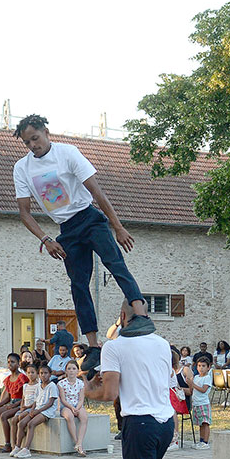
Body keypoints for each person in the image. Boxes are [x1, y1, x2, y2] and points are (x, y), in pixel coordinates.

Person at [12, 114, 153, 348]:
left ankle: (141, 316)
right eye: (27, 143)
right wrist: (45, 239)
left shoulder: (68, 153)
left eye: (35, 139)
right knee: (78, 285)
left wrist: (117, 226)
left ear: (46, 133)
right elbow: (25, 213)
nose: (32, 146)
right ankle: (93, 343)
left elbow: (97, 192)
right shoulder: (22, 168)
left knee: (115, 263)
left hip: (89, 218)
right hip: (67, 229)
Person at [86, 299, 196, 459]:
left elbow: (110, 393)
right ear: (146, 315)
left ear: (122, 316)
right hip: (165, 423)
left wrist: (88, 390)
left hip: (140, 424)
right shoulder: (160, 343)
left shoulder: (114, 346)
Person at [0, 353, 27, 451]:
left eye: (13, 362)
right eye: (8, 362)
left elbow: (25, 396)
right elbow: (7, 398)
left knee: (4, 416)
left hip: (20, 404)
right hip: (11, 403)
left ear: (18, 363)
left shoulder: (22, 378)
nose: (10, 364)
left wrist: (14, 405)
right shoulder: (8, 379)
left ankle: (8, 444)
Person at [14, 364, 59, 459]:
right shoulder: (39, 386)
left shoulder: (52, 386)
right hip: (37, 409)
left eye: (46, 373)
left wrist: (38, 411)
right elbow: (35, 400)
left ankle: (26, 449)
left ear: (50, 374)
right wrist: (33, 410)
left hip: (46, 411)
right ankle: (17, 446)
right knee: (21, 423)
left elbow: (50, 403)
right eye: (41, 373)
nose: (43, 375)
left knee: (31, 424)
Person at [8, 364, 41, 457]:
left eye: (33, 372)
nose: (30, 375)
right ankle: (14, 445)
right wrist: (22, 406)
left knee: (21, 418)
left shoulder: (38, 386)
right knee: (14, 420)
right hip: (24, 407)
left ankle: (19, 444)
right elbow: (23, 398)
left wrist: (27, 408)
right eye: (28, 373)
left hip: (31, 408)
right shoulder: (25, 385)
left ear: (37, 373)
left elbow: (36, 400)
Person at [59, 360, 89, 456]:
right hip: (66, 406)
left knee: (84, 418)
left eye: (74, 369)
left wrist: (77, 408)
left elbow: (81, 399)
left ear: (77, 371)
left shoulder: (81, 383)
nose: (71, 371)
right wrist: (72, 408)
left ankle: (79, 442)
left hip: (78, 405)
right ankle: (76, 442)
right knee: (69, 417)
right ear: (66, 371)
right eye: (69, 369)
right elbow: (63, 399)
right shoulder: (61, 383)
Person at [190, 354, 214, 449]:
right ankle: (201, 440)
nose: (201, 368)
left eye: (203, 366)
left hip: (203, 403)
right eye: (199, 366)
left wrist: (193, 384)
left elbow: (203, 390)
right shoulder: (196, 377)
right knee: (200, 424)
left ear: (208, 367)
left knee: (205, 423)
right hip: (196, 403)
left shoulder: (207, 378)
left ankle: (206, 442)